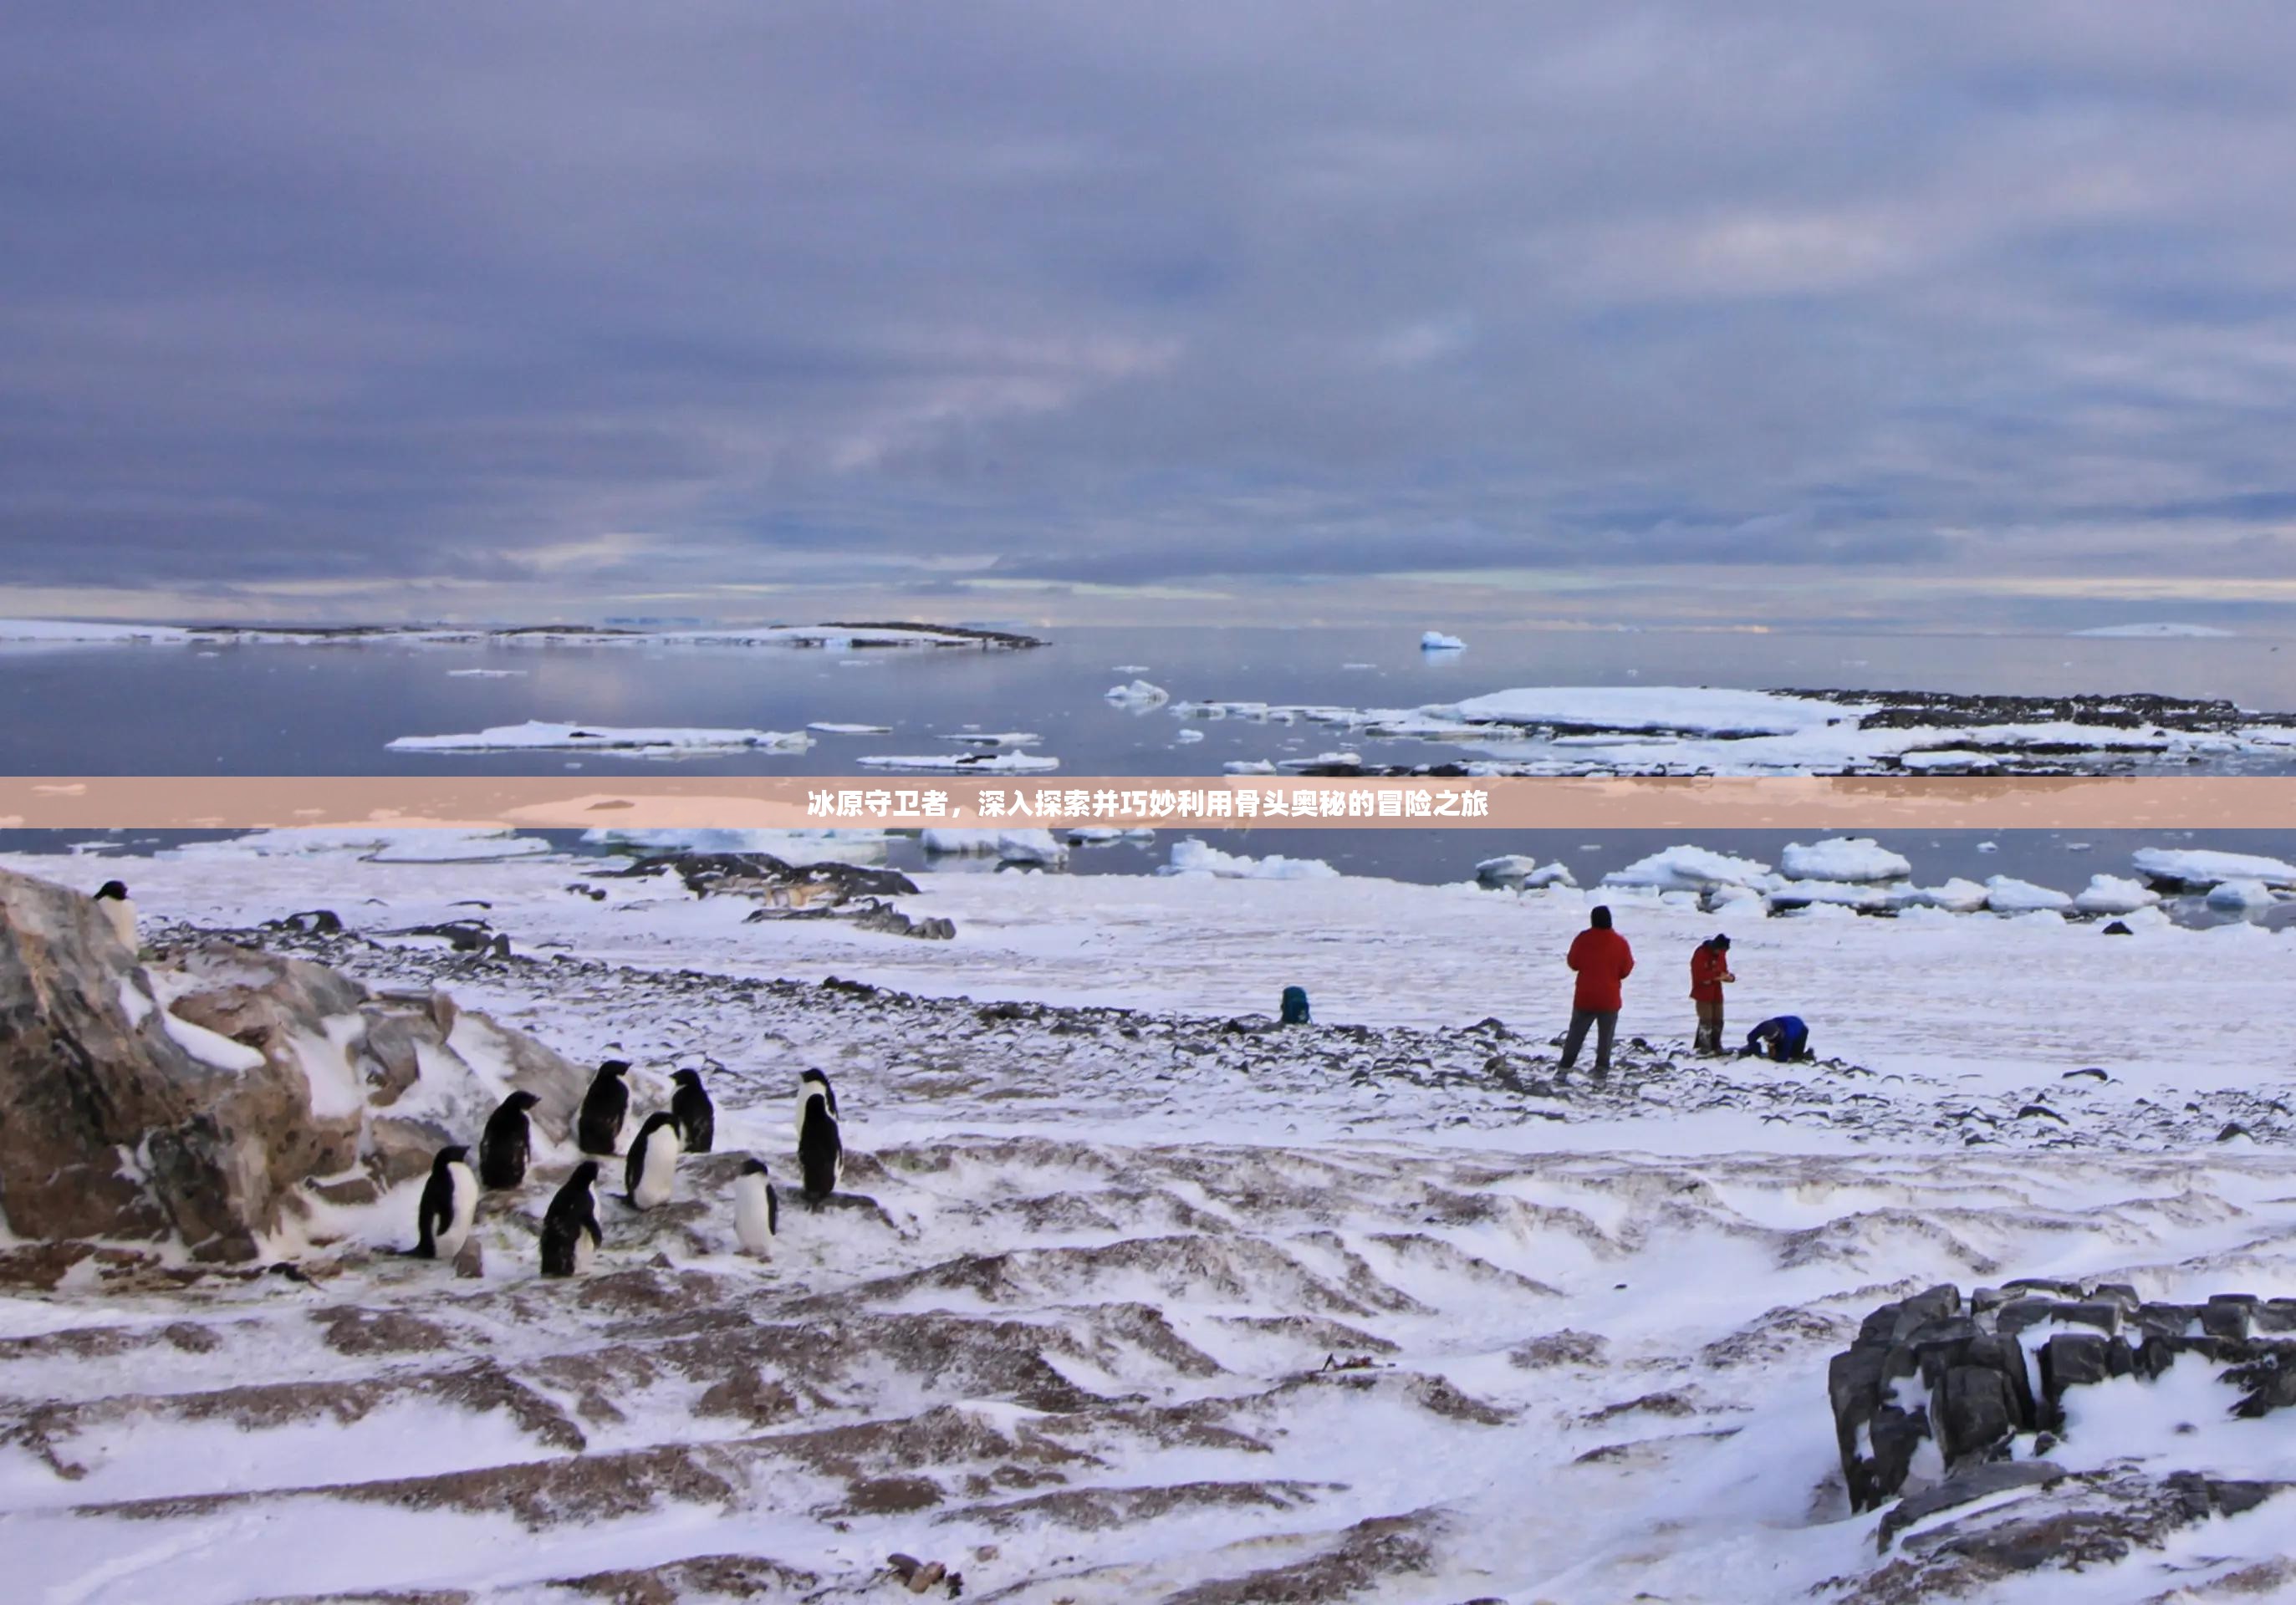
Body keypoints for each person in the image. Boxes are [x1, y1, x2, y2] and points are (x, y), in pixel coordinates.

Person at [1559, 905, 1634, 1079]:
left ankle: (1565, 1067)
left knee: (1576, 1034)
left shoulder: (1583, 939)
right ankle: (1601, 1069)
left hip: (1585, 996)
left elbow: (1573, 963)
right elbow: (1626, 969)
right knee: (1606, 1037)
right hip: (1609, 998)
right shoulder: (1620, 942)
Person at [1690, 934, 1734, 1056]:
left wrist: (1728, 977)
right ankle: (1705, 1048)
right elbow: (1699, 975)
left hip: (1716, 990)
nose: (1723, 953)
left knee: (1718, 1019)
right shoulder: (1701, 953)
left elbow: (1723, 970)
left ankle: (1717, 1045)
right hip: (1702, 991)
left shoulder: (1720, 953)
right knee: (1706, 1020)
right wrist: (1716, 976)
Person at [1742, 1015, 1812, 1062]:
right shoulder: (1763, 1027)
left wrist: (1774, 1056)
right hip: (1786, 1023)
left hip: (1801, 1030)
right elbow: (1750, 1037)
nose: (1768, 1042)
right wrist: (1756, 1049)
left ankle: (1808, 1054)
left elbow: (1783, 1059)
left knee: (1795, 1056)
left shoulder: (1788, 1036)